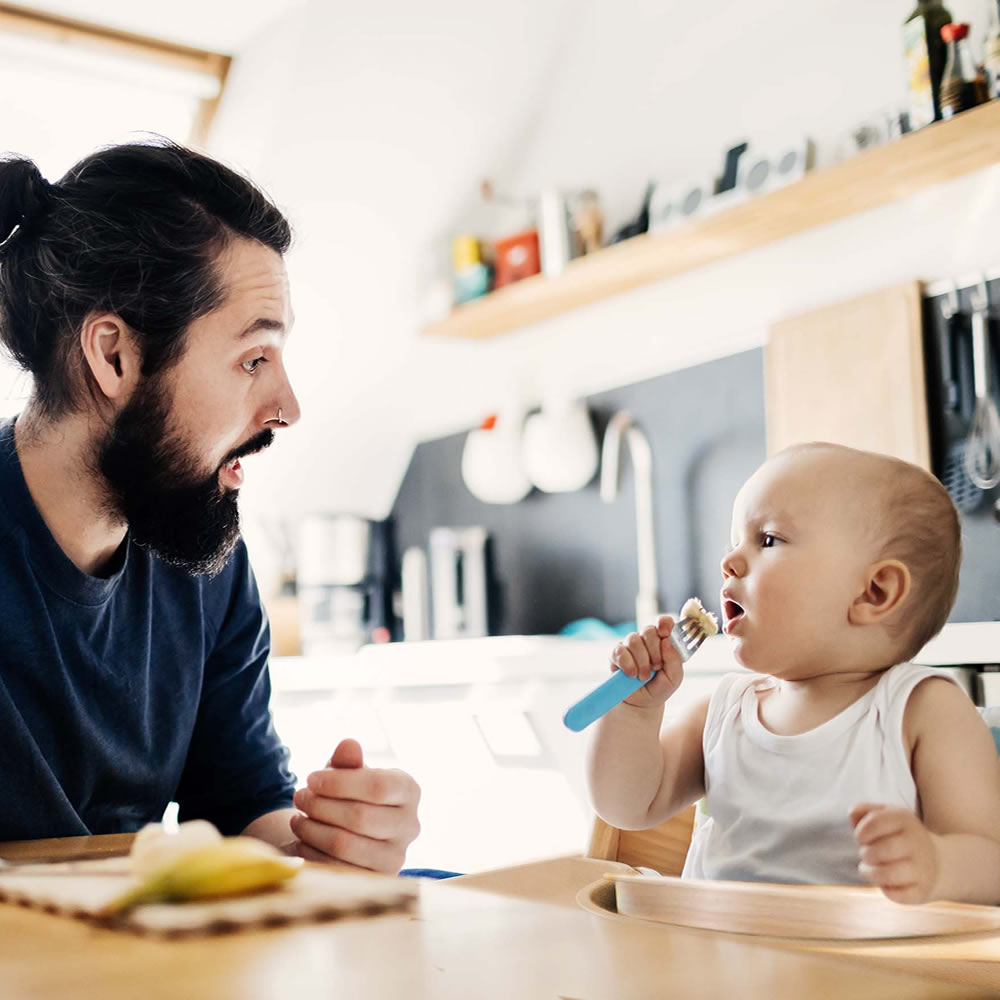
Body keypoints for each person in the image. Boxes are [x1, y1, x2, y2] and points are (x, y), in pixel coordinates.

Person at [0, 139, 420, 874]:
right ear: (115, 357)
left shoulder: (207, 568)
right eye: (254, 359)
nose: (287, 407)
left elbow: (244, 810)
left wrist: (332, 840)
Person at [587, 441, 1000, 905]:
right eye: (733, 543)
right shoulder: (724, 712)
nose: (728, 562)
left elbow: (990, 864)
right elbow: (627, 805)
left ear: (874, 592)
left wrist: (938, 865)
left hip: (864, 973)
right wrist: (636, 712)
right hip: (717, 962)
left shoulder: (924, 713)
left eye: (767, 540)